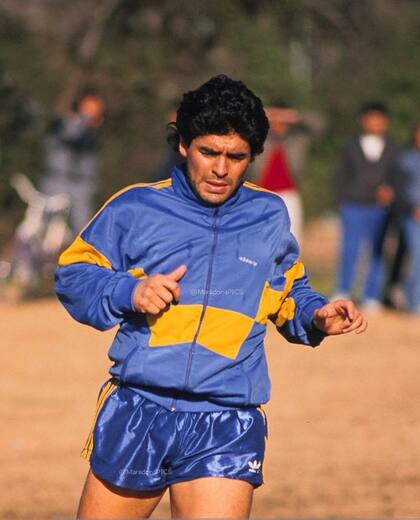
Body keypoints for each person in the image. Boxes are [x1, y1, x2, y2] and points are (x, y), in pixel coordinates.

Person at [55, 75, 367, 519]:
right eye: (209, 152)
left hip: (227, 418)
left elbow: (288, 293)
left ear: (252, 156)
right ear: (183, 144)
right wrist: (130, 290)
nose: (221, 169)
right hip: (139, 408)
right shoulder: (134, 207)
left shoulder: (269, 215)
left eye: (236, 157)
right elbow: (72, 273)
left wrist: (317, 315)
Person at [332, 101, 400, 309]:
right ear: (364, 120)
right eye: (371, 118)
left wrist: (391, 190)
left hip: (380, 208)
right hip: (353, 204)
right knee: (349, 249)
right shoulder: (350, 145)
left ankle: (372, 295)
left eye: (378, 119)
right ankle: (342, 290)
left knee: (377, 252)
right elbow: (339, 174)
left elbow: (399, 176)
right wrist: (341, 200)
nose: (374, 123)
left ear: (385, 121)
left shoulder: (395, 147)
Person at [251, 104, 326, 242]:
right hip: (261, 193)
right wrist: (263, 113)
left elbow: (319, 125)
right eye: (275, 119)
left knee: (292, 236)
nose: (278, 124)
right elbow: (241, 123)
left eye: (282, 120)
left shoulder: (298, 139)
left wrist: (293, 115)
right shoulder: (260, 139)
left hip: (289, 194)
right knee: (260, 238)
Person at [41, 93, 105, 235]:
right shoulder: (64, 123)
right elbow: (71, 138)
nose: (93, 112)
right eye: (90, 108)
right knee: (42, 226)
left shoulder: (94, 132)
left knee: (83, 229)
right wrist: (82, 121)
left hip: (82, 185)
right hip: (56, 179)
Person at [398, 121, 420, 314]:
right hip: (414, 216)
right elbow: (402, 189)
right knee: (417, 257)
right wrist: (413, 207)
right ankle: (415, 303)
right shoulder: (406, 160)